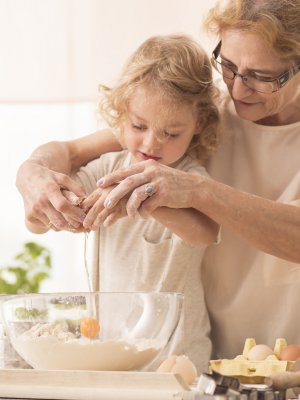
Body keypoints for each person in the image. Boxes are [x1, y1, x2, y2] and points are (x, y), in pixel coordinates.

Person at [16, 0, 300, 361]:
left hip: (281, 355)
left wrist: (198, 191)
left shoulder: (194, 129)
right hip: (204, 359)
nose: (238, 90)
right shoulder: (198, 120)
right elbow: (71, 153)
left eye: (260, 76)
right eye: (228, 66)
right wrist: (31, 174)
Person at [22, 33, 221, 372]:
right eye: (138, 125)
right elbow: (35, 223)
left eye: (171, 133)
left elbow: (206, 231)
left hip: (178, 359)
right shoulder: (107, 167)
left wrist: (148, 199)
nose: (150, 143)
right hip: (112, 354)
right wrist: (58, 203)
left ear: (199, 124)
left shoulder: (192, 178)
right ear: (121, 111)